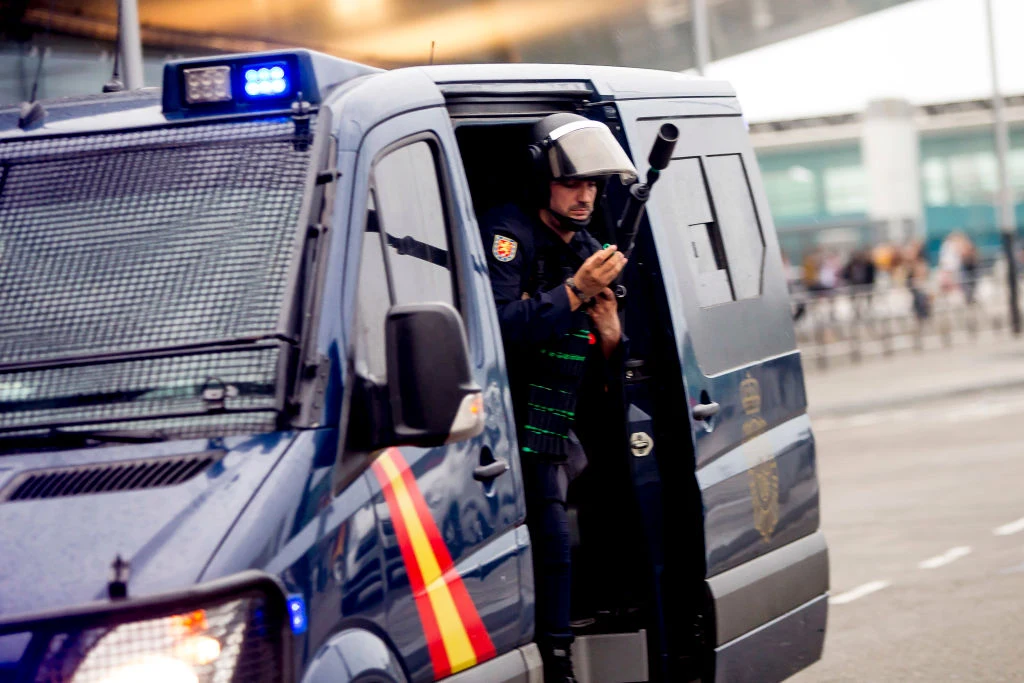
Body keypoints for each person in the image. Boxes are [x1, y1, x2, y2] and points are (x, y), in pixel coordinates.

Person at [480, 113, 637, 683]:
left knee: (602, 523)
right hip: (522, 417)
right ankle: (558, 660)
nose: (585, 195)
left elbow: (614, 353)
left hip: (575, 416)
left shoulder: (591, 246)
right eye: (573, 182)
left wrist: (613, 330)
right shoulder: (507, 233)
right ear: (540, 182)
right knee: (549, 543)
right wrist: (574, 293)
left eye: (593, 185)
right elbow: (499, 327)